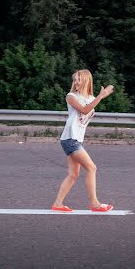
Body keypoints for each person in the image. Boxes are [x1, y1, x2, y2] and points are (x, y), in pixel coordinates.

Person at [52, 69, 114, 212]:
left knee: (73, 174)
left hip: (77, 139)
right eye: (74, 79)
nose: (76, 82)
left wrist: (99, 97)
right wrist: (100, 97)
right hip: (70, 138)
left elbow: (89, 106)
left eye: (78, 79)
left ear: (86, 80)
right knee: (91, 168)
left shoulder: (90, 98)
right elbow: (85, 110)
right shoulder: (71, 96)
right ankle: (95, 204)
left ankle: (58, 204)